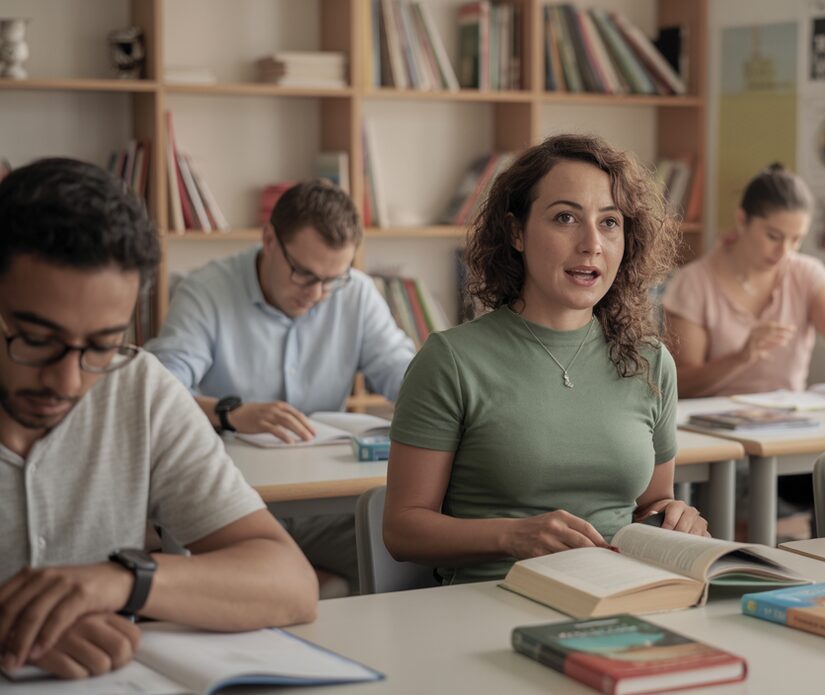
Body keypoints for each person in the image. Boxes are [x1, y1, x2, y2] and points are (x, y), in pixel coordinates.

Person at [0, 158, 316, 680]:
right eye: (36, 340)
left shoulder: (137, 385)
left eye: (100, 346)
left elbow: (291, 584)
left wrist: (121, 581)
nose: (68, 383)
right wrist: (16, 625)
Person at [382, 134, 708, 583]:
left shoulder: (650, 361)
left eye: (609, 222)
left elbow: (652, 504)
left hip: (622, 592)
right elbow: (402, 530)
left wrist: (674, 517)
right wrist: (511, 536)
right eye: (566, 218)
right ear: (517, 232)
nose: (592, 243)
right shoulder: (451, 360)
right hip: (492, 599)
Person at [147, 180, 416, 593]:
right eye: (304, 273)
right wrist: (230, 414)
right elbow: (159, 391)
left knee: (409, 562)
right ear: (269, 238)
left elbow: (405, 374)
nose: (317, 295)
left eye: (333, 279)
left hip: (326, 505)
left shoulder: (356, 293)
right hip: (233, 504)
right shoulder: (206, 291)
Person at [662, 164, 825, 398]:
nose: (785, 252)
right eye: (774, 236)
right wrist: (741, 357)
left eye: (796, 240)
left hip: (790, 427)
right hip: (710, 427)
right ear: (742, 220)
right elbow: (677, 384)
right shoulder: (693, 283)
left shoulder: (807, 275)